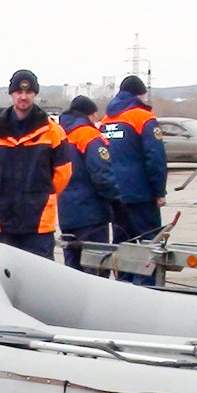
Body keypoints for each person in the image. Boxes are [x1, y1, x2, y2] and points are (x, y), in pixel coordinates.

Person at [0, 69, 71, 258]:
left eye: (28, 92)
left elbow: (63, 173)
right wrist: (4, 191)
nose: (23, 97)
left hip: (39, 221)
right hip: (4, 218)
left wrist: (42, 194)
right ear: (11, 94)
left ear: (35, 94)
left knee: (41, 278)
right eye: (19, 92)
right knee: (6, 276)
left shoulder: (52, 131)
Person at [101, 75, 168, 284]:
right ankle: (147, 289)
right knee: (150, 242)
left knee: (122, 243)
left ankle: (123, 287)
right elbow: (155, 158)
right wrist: (159, 192)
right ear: (140, 94)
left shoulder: (106, 121)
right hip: (141, 194)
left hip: (115, 194)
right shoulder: (143, 117)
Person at [56, 94, 120, 272]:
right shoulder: (89, 135)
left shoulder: (59, 134)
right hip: (91, 215)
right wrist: (117, 200)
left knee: (72, 270)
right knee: (96, 267)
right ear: (89, 114)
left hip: (66, 213)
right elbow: (102, 176)